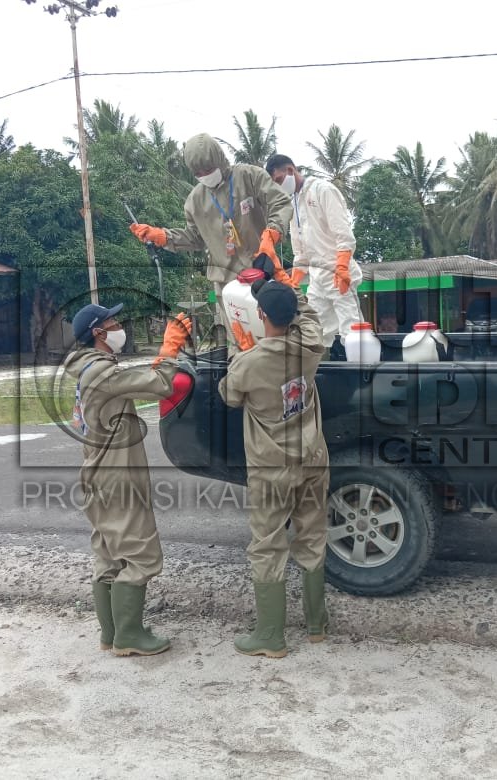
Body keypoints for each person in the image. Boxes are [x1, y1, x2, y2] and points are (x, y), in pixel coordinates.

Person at [63, 302, 192, 656]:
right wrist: (170, 349)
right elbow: (159, 384)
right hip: (118, 476)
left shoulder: (90, 368)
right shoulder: (102, 373)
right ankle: (129, 637)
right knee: (140, 555)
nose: (121, 326)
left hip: (98, 473)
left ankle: (112, 633)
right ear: (98, 334)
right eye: (113, 322)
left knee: (108, 555)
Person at [218, 275, 330, 658]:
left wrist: (241, 350)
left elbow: (229, 396)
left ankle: (270, 636)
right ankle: (317, 625)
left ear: (259, 314)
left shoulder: (248, 364)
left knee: (268, 546)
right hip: (313, 460)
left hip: (271, 468)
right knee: (312, 537)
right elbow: (311, 317)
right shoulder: (311, 346)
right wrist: (289, 286)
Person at [128, 133, 294, 348]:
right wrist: (164, 236)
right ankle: (241, 377)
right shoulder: (195, 201)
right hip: (227, 281)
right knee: (239, 343)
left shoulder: (248, 176)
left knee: (279, 338)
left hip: (264, 270)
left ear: (219, 159)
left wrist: (272, 232)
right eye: (199, 173)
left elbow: (280, 203)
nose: (205, 175)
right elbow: (195, 238)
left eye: (209, 169)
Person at [265, 153, 364, 360]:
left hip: (339, 275)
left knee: (352, 332)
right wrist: (294, 281)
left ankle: (361, 379)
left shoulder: (323, 190)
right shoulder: (292, 204)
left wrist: (343, 266)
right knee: (314, 332)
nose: (278, 186)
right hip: (317, 281)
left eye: (278, 180)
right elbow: (301, 252)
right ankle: (318, 378)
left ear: (291, 170)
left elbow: (343, 234)